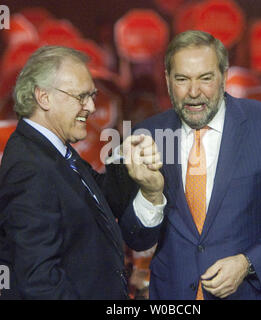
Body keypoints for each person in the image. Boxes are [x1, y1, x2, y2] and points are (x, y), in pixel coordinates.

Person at [126, 30, 261, 300]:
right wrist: (151, 195)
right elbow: (136, 239)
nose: (194, 92)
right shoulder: (147, 134)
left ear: (223, 76)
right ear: (167, 80)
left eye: (205, 78)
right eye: (182, 79)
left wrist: (247, 263)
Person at [0, 46, 165, 300]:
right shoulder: (30, 166)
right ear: (43, 97)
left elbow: (101, 197)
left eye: (92, 96)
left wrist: (128, 158)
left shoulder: (53, 151)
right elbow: (39, 282)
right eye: (81, 97)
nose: (90, 107)